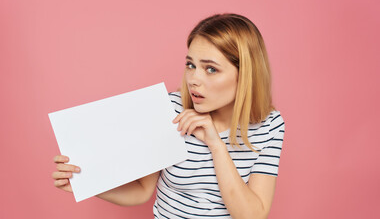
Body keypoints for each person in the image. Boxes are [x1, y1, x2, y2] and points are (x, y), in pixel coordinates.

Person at [52, 13, 285, 218]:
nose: (193, 79)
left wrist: (217, 146)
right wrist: (86, 182)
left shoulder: (270, 126)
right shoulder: (169, 109)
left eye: (211, 69)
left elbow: (252, 215)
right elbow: (142, 191)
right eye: (190, 65)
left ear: (244, 74)